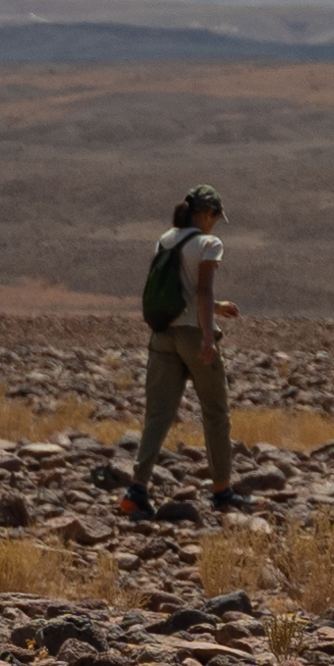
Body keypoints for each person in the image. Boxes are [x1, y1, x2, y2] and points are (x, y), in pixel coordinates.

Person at [122, 188, 239, 518]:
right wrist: (207, 335)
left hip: (162, 336)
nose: (215, 225)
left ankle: (137, 489)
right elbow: (201, 289)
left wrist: (216, 307)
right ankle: (222, 492)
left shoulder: (165, 239)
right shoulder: (208, 244)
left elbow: (178, 290)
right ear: (205, 214)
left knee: (157, 414)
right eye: (215, 218)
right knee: (215, 411)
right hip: (191, 335)